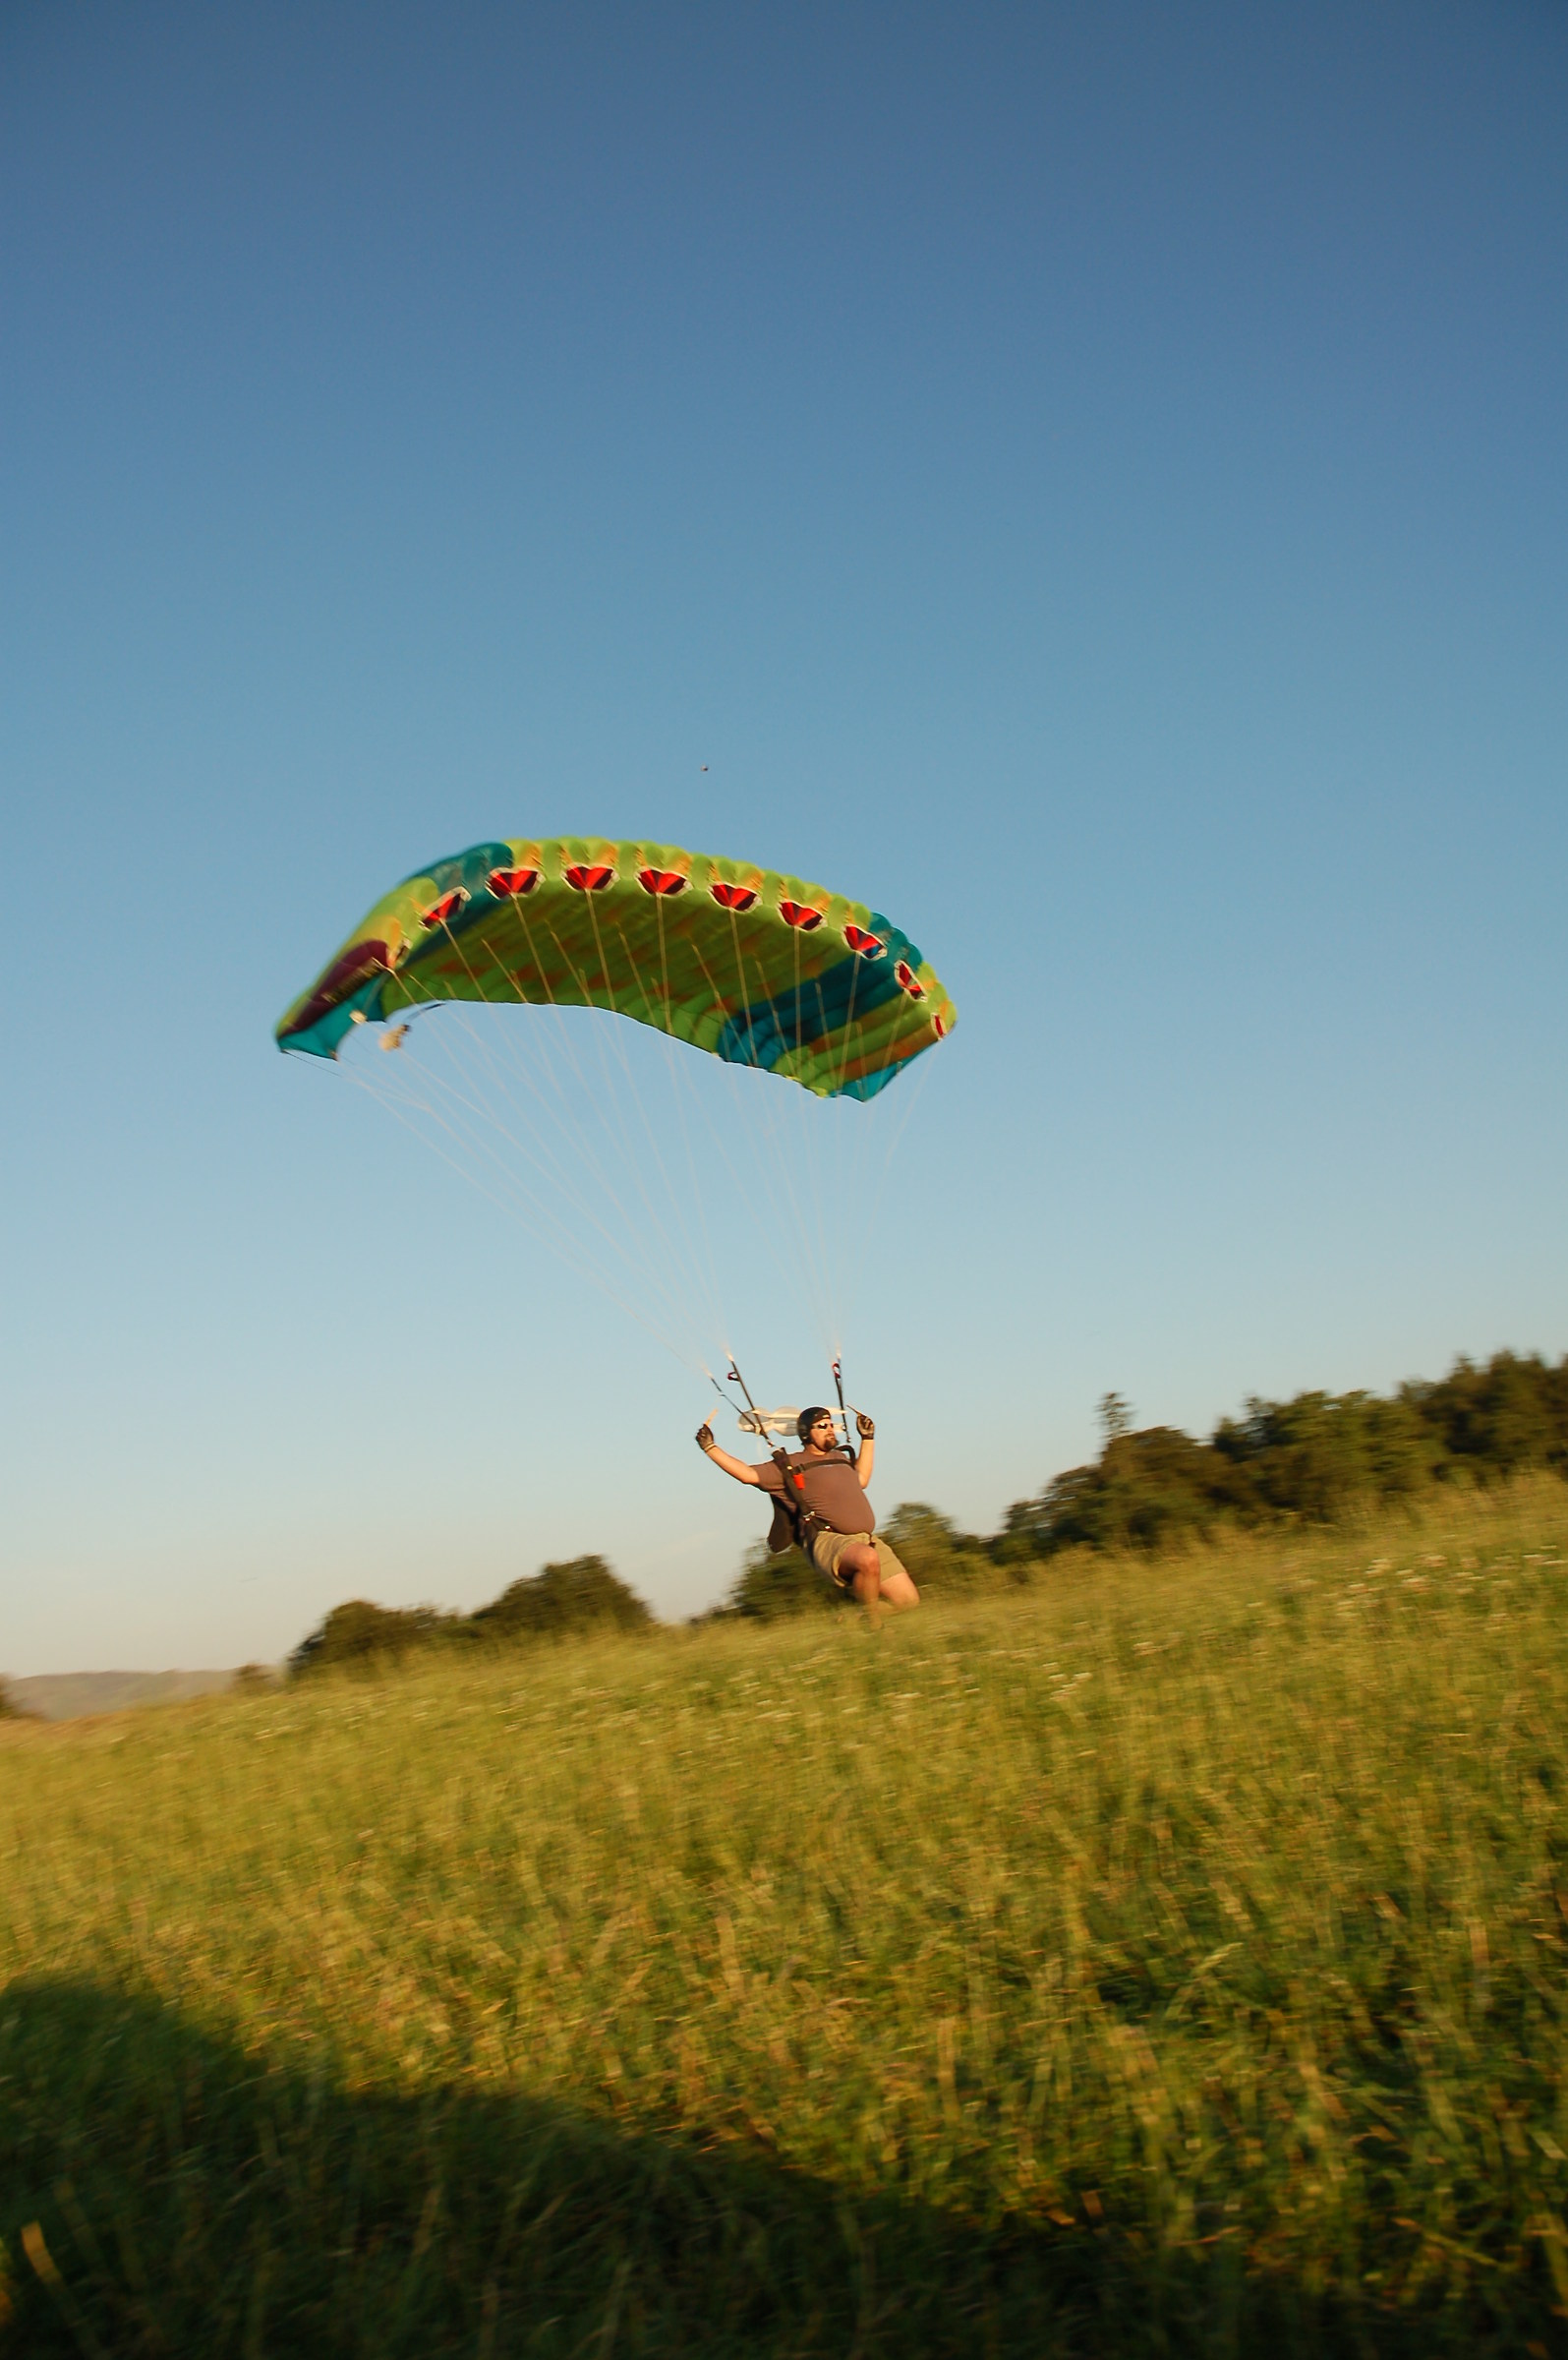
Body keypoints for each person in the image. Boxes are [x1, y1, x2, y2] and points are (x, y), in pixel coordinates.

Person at [696, 1405, 920, 1618]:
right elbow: (747, 1475)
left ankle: (854, 1618)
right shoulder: (790, 1465)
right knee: (867, 1559)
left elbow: (861, 1479)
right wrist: (710, 1448)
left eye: (831, 1425)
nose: (830, 1429)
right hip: (827, 1540)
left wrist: (868, 1438)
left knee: (908, 1602)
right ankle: (873, 1624)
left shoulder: (840, 1458)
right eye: (822, 1426)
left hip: (866, 1540)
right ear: (806, 1434)